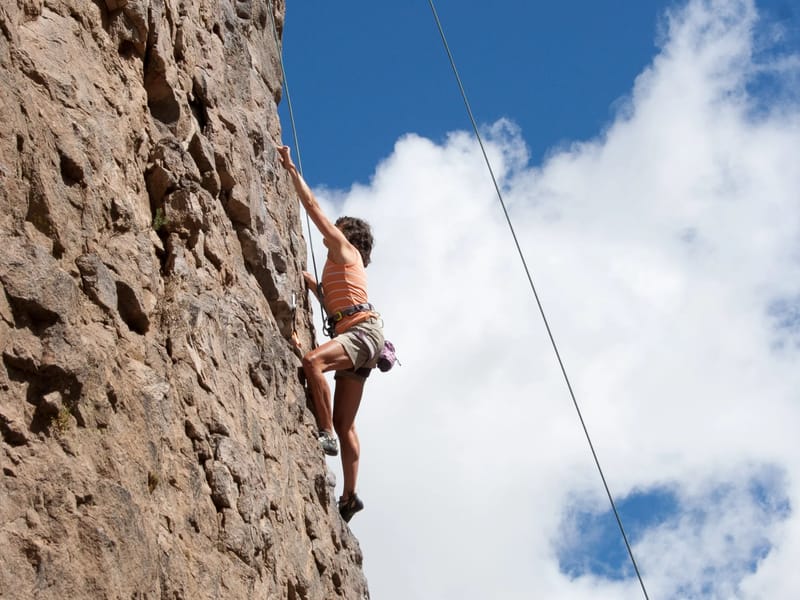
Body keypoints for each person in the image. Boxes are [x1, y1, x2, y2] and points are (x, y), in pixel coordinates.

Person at [277, 145, 384, 523]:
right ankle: (351, 495)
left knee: (311, 362)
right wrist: (315, 288)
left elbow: (315, 212)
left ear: (344, 234)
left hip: (362, 334)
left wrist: (291, 171)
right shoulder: (345, 269)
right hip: (365, 338)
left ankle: (324, 434)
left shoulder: (343, 248)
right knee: (347, 422)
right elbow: (342, 306)